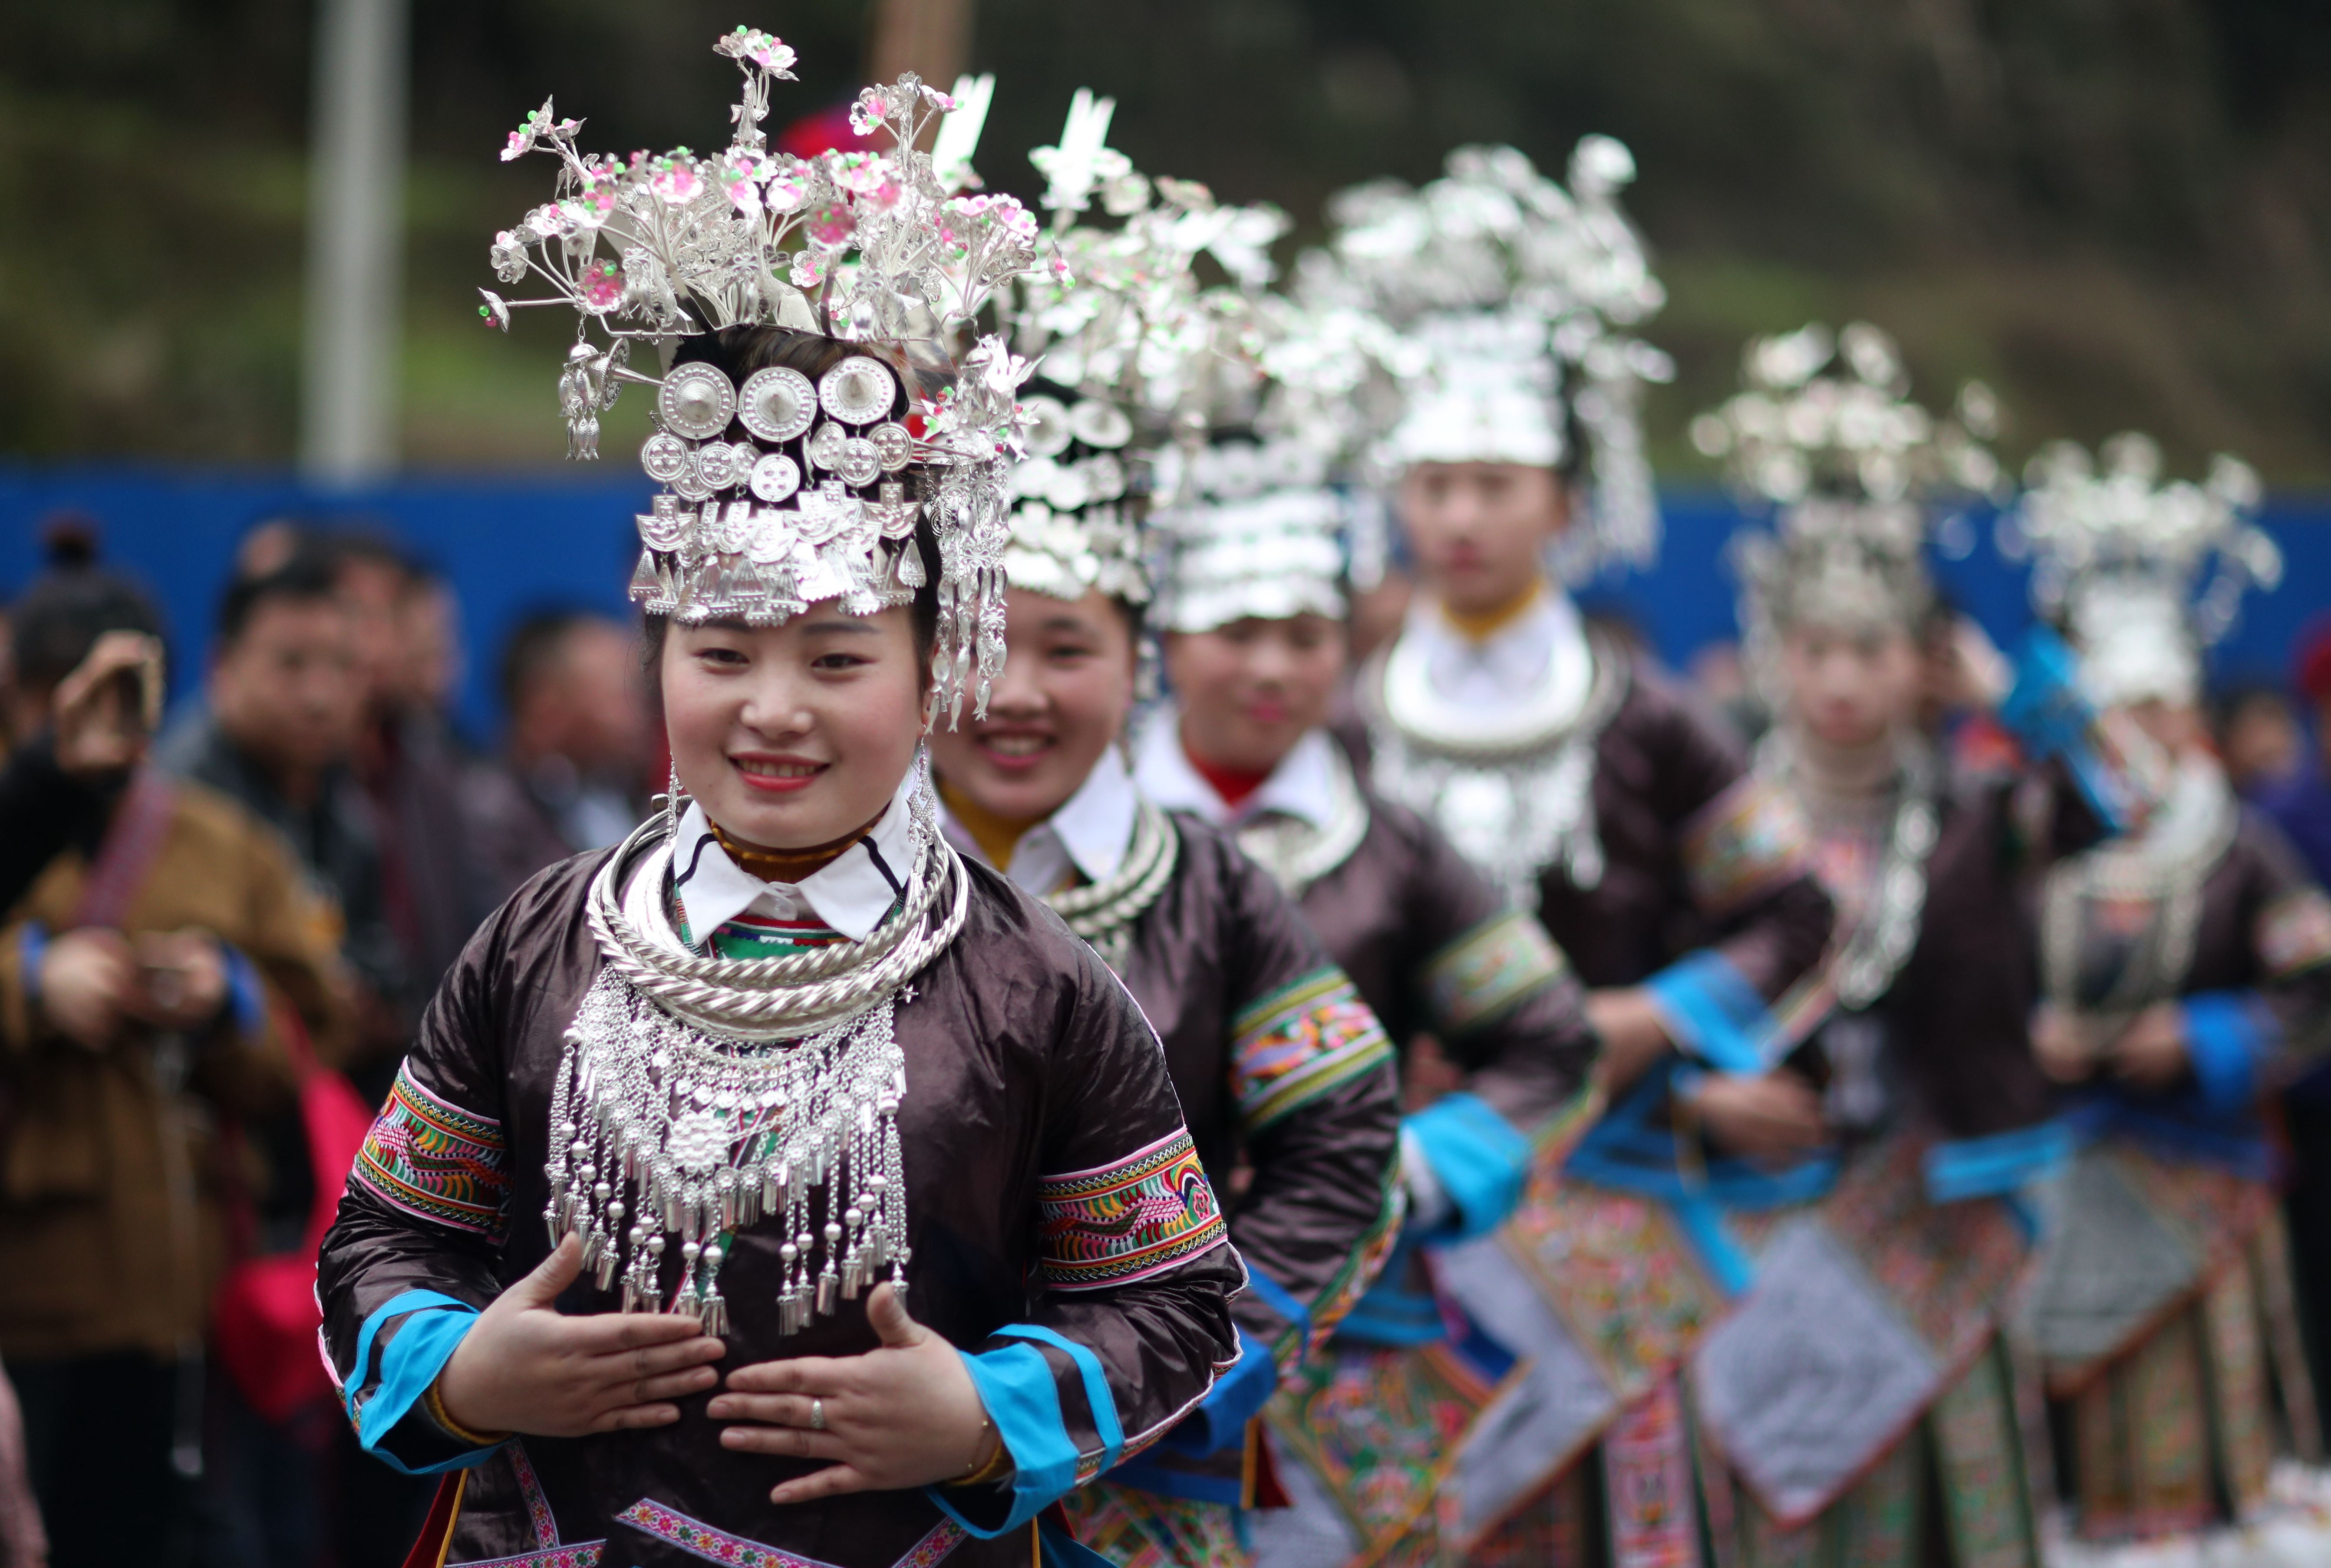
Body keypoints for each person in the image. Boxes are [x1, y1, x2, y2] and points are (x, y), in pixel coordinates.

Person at [320, 42, 1242, 1568]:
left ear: (936, 659)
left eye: (833, 656)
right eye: (721, 651)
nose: (771, 709)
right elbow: (384, 1232)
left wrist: (981, 1412)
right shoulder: (540, 940)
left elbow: (1168, 1294)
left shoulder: (1033, 985)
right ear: (657, 658)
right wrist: (460, 1367)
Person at [1301, 140, 1835, 1563]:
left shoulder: (1650, 719)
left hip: (1617, 1197)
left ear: (1559, 497)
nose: (1457, 517)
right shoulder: (1342, 725)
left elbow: (1793, 912)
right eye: (1428, 483)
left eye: (1492, 481)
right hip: (1407, 1205)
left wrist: (1644, 1027)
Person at [1128, 435, 1601, 1568]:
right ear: (1166, 645)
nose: (1273, 671)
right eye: (1236, 634)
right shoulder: (1093, 836)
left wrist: (1403, 1170)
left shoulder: (1392, 849)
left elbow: (1553, 1044)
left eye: (1305, 637)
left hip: (1355, 1336)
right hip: (1121, 1338)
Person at [2010, 435, 2331, 1548]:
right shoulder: (2030, 837)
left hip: (2200, 1183)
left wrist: (2199, 1036)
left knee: (2183, 1467)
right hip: (2045, 1182)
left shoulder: (2240, 849)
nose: (2135, 735)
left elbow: (2312, 988)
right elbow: (1957, 976)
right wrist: (2026, 1037)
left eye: (2155, 707)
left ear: (2191, 713)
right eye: (2111, 710)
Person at [0, 536, 345, 1567]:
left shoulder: (219, 843)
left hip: (183, 1286)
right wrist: (29, 987)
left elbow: (311, 1036)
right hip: (24, 1278)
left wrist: (226, 998)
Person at [158, 548, 409, 1082]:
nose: (319, 697)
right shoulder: (177, 805)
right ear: (221, 668)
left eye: (342, 667)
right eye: (290, 665)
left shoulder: (346, 806)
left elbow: (381, 960)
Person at [462, 609, 651, 903]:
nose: (640, 714)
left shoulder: (628, 793)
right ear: (545, 705)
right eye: (618, 694)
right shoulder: (486, 817)